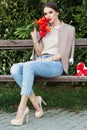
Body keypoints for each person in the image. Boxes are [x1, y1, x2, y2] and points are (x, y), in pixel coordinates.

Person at [10, 1, 75, 126]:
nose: (48, 16)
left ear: (57, 13)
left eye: (50, 12)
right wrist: (35, 40)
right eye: (45, 14)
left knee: (29, 65)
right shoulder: (44, 29)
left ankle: (22, 109)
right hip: (41, 61)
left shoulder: (68, 29)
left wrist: (47, 60)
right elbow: (39, 53)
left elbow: (64, 53)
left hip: (56, 63)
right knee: (14, 69)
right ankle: (35, 101)